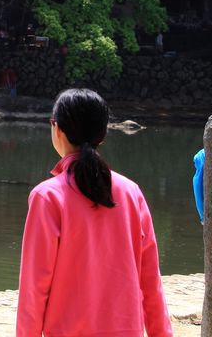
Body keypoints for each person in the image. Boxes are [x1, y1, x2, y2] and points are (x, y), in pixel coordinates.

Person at [17, 88, 170, 337]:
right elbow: (151, 282)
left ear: (57, 129)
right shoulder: (131, 193)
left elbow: (34, 288)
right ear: (103, 134)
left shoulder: (48, 197)